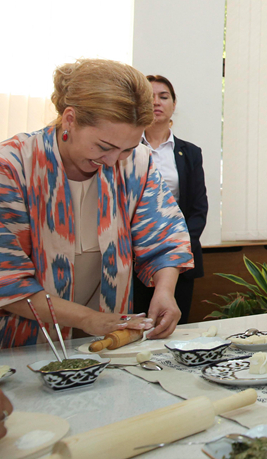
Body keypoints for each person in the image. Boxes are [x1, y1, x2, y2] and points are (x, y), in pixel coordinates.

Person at [0, 59, 193, 348]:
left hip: (107, 335)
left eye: (126, 148)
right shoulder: (13, 166)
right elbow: (7, 275)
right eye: (104, 147)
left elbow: (164, 237)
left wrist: (165, 291)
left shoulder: (137, 164)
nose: (113, 161)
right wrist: (87, 319)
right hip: (23, 342)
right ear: (69, 119)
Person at [132, 75, 208, 322]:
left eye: (163, 97)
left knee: (174, 328)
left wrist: (179, 247)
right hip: (133, 258)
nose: (156, 102)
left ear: (174, 104)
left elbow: (198, 209)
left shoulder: (190, 152)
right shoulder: (125, 148)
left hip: (180, 260)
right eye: (149, 96)